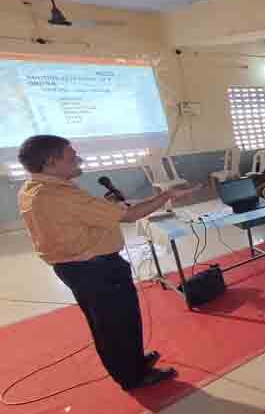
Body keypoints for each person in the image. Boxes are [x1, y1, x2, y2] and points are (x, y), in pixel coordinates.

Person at [17, 135, 199, 391]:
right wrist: (167, 195)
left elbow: (76, 218)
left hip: (77, 267)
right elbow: (130, 215)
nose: (78, 160)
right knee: (116, 323)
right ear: (51, 162)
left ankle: (131, 361)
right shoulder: (59, 195)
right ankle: (133, 377)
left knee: (111, 321)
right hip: (94, 269)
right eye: (71, 157)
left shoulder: (33, 189)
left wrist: (105, 207)